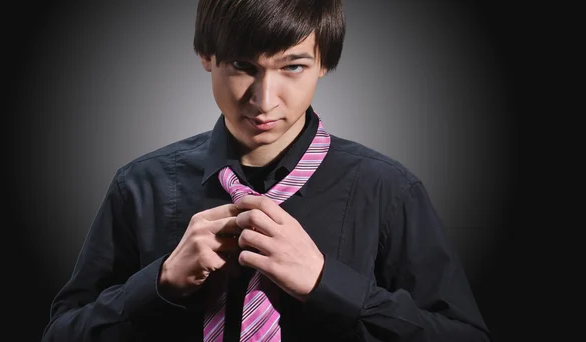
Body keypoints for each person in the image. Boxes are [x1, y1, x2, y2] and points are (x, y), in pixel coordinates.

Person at [42, 0, 491, 341]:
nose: (264, 100)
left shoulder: (388, 189)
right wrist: (160, 283)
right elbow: (60, 332)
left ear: (325, 64)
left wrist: (327, 282)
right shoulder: (139, 186)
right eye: (243, 66)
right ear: (206, 56)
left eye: (292, 67)